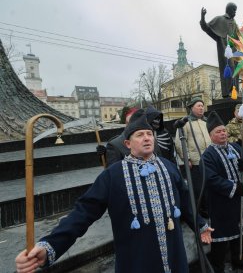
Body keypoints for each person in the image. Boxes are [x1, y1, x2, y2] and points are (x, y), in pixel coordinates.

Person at [16, 114, 213, 273]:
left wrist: (201, 225)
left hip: (174, 256)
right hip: (137, 262)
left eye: (149, 134)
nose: (146, 138)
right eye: (139, 135)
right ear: (128, 144)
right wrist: (50, 246)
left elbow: (186, 203)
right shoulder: (113, 175)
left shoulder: (169, 167)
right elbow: (83, 212)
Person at [201, 111, 243, 273]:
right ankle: (218, 267)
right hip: (222, 203)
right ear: (210, 135)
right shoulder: (208, 155)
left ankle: (239, 259)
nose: (222, 134)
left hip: (241, 200)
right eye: (218, 132)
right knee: (221, 238)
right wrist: (235, 187)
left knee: (241, 231)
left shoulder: (235, 147)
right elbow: (212, 179)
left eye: (223, 130)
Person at [175, 97, 211, 215]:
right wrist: (187, 159)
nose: (201, 108)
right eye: (198, 106)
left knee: (208, 185)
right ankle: (199, 209)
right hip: (195, 161)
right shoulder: (185, 122)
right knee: (198, 187)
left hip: (208, 159)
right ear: (191, 108)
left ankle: (208, 207)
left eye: (202, 105)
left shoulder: (206, 121)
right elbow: (180, 143)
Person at [200, 3, 239, 98]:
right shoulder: (220, 19)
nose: (235, 12)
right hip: (224, 49)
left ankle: (235, 92)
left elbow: (239, 38)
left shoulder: (234, 23)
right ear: (228, 10)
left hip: (235, 51)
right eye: (234, 10)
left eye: (236, 10)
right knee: (228, 68)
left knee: (236, 72)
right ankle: (227, 93)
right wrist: (202, 17)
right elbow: (206, 27)